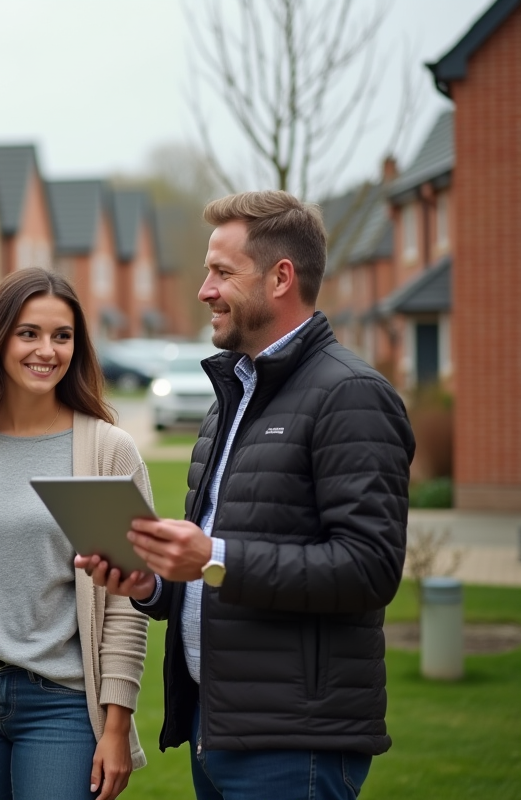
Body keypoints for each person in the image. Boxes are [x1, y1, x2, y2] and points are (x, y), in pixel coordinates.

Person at [77, 191, 415, 800]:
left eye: (222, 272)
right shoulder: (232, 396)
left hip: (294, 743)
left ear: (281, 277)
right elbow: (217, 560)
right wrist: (153, 582)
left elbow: (370, 568)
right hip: (220, 727)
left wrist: (211, 557)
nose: (205, 289)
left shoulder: (352, 395)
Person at [0, 268, 150, 800]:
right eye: (29, 333)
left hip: (62, 702)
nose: (47, 350)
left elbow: (126, 602)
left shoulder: (106, 452)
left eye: (62, 336)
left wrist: (115, 727)